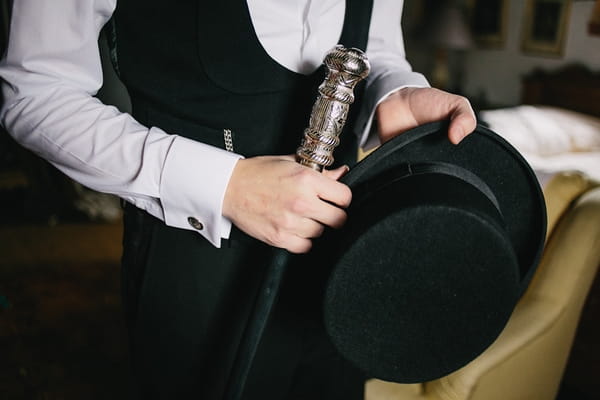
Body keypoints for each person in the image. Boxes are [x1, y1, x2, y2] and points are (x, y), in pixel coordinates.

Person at [0, 0, 477, 398]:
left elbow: (376, 49)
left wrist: (396, 92)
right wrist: (226, 185)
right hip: (191, 271)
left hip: (338, 259)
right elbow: (36, 92)